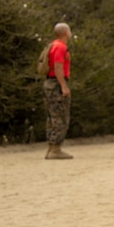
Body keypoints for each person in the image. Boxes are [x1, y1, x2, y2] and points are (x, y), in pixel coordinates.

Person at [42, 22, 74, 160]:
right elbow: (58, 67)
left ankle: (51, 148)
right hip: (56, 83)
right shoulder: (60, 47)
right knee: (60, 116)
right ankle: (55, 148)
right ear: (66, 33)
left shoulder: (52, 45)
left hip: (49, 82)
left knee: (52, 116)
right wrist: (63, 86)